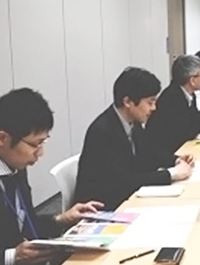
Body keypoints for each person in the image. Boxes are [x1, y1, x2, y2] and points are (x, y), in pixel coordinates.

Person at [0, 89, 103, 265]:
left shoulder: (15, 166)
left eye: (43, 142)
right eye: (35, 144)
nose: (40, 153)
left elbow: (20, 222)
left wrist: (61, 219)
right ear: (2, 139)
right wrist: (11, 256)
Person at [75, 68, 193, 211]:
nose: (154, 108)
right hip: (103, 207)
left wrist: (175, 160)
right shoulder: (102, 132)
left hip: (126, 197)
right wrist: (171, 174)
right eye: (150, 102)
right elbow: (123, 181)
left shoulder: (133, 122)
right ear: (128, 102)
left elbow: (149, 152)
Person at [145, 55, 200, 157]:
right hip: (166, 153)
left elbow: (199, 122)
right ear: (192, 80)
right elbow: (188, 130)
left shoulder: (190, 94)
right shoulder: (172, 97)